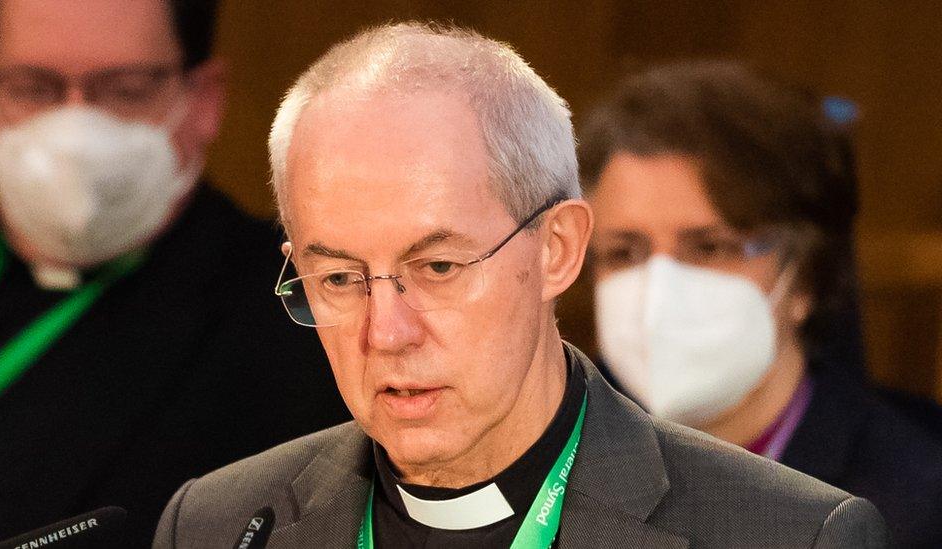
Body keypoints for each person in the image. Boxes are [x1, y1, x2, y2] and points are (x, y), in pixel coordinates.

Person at [154, 24, 888, 548]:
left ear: (558, 249)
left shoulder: (788, 533)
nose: (386, 333)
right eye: (341, 277)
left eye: (436, 267)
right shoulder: (217, 523)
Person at [0, 1, 349, 546]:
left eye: (125, 90)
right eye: (34, 88)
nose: (76, 130)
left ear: (204, 100)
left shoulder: (302, 316)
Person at [580, 60, 942, 547]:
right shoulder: (546, 463)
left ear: (806, 278)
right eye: (624, 252)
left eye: (709, 248)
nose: (658, 290)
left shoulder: (915, 504)